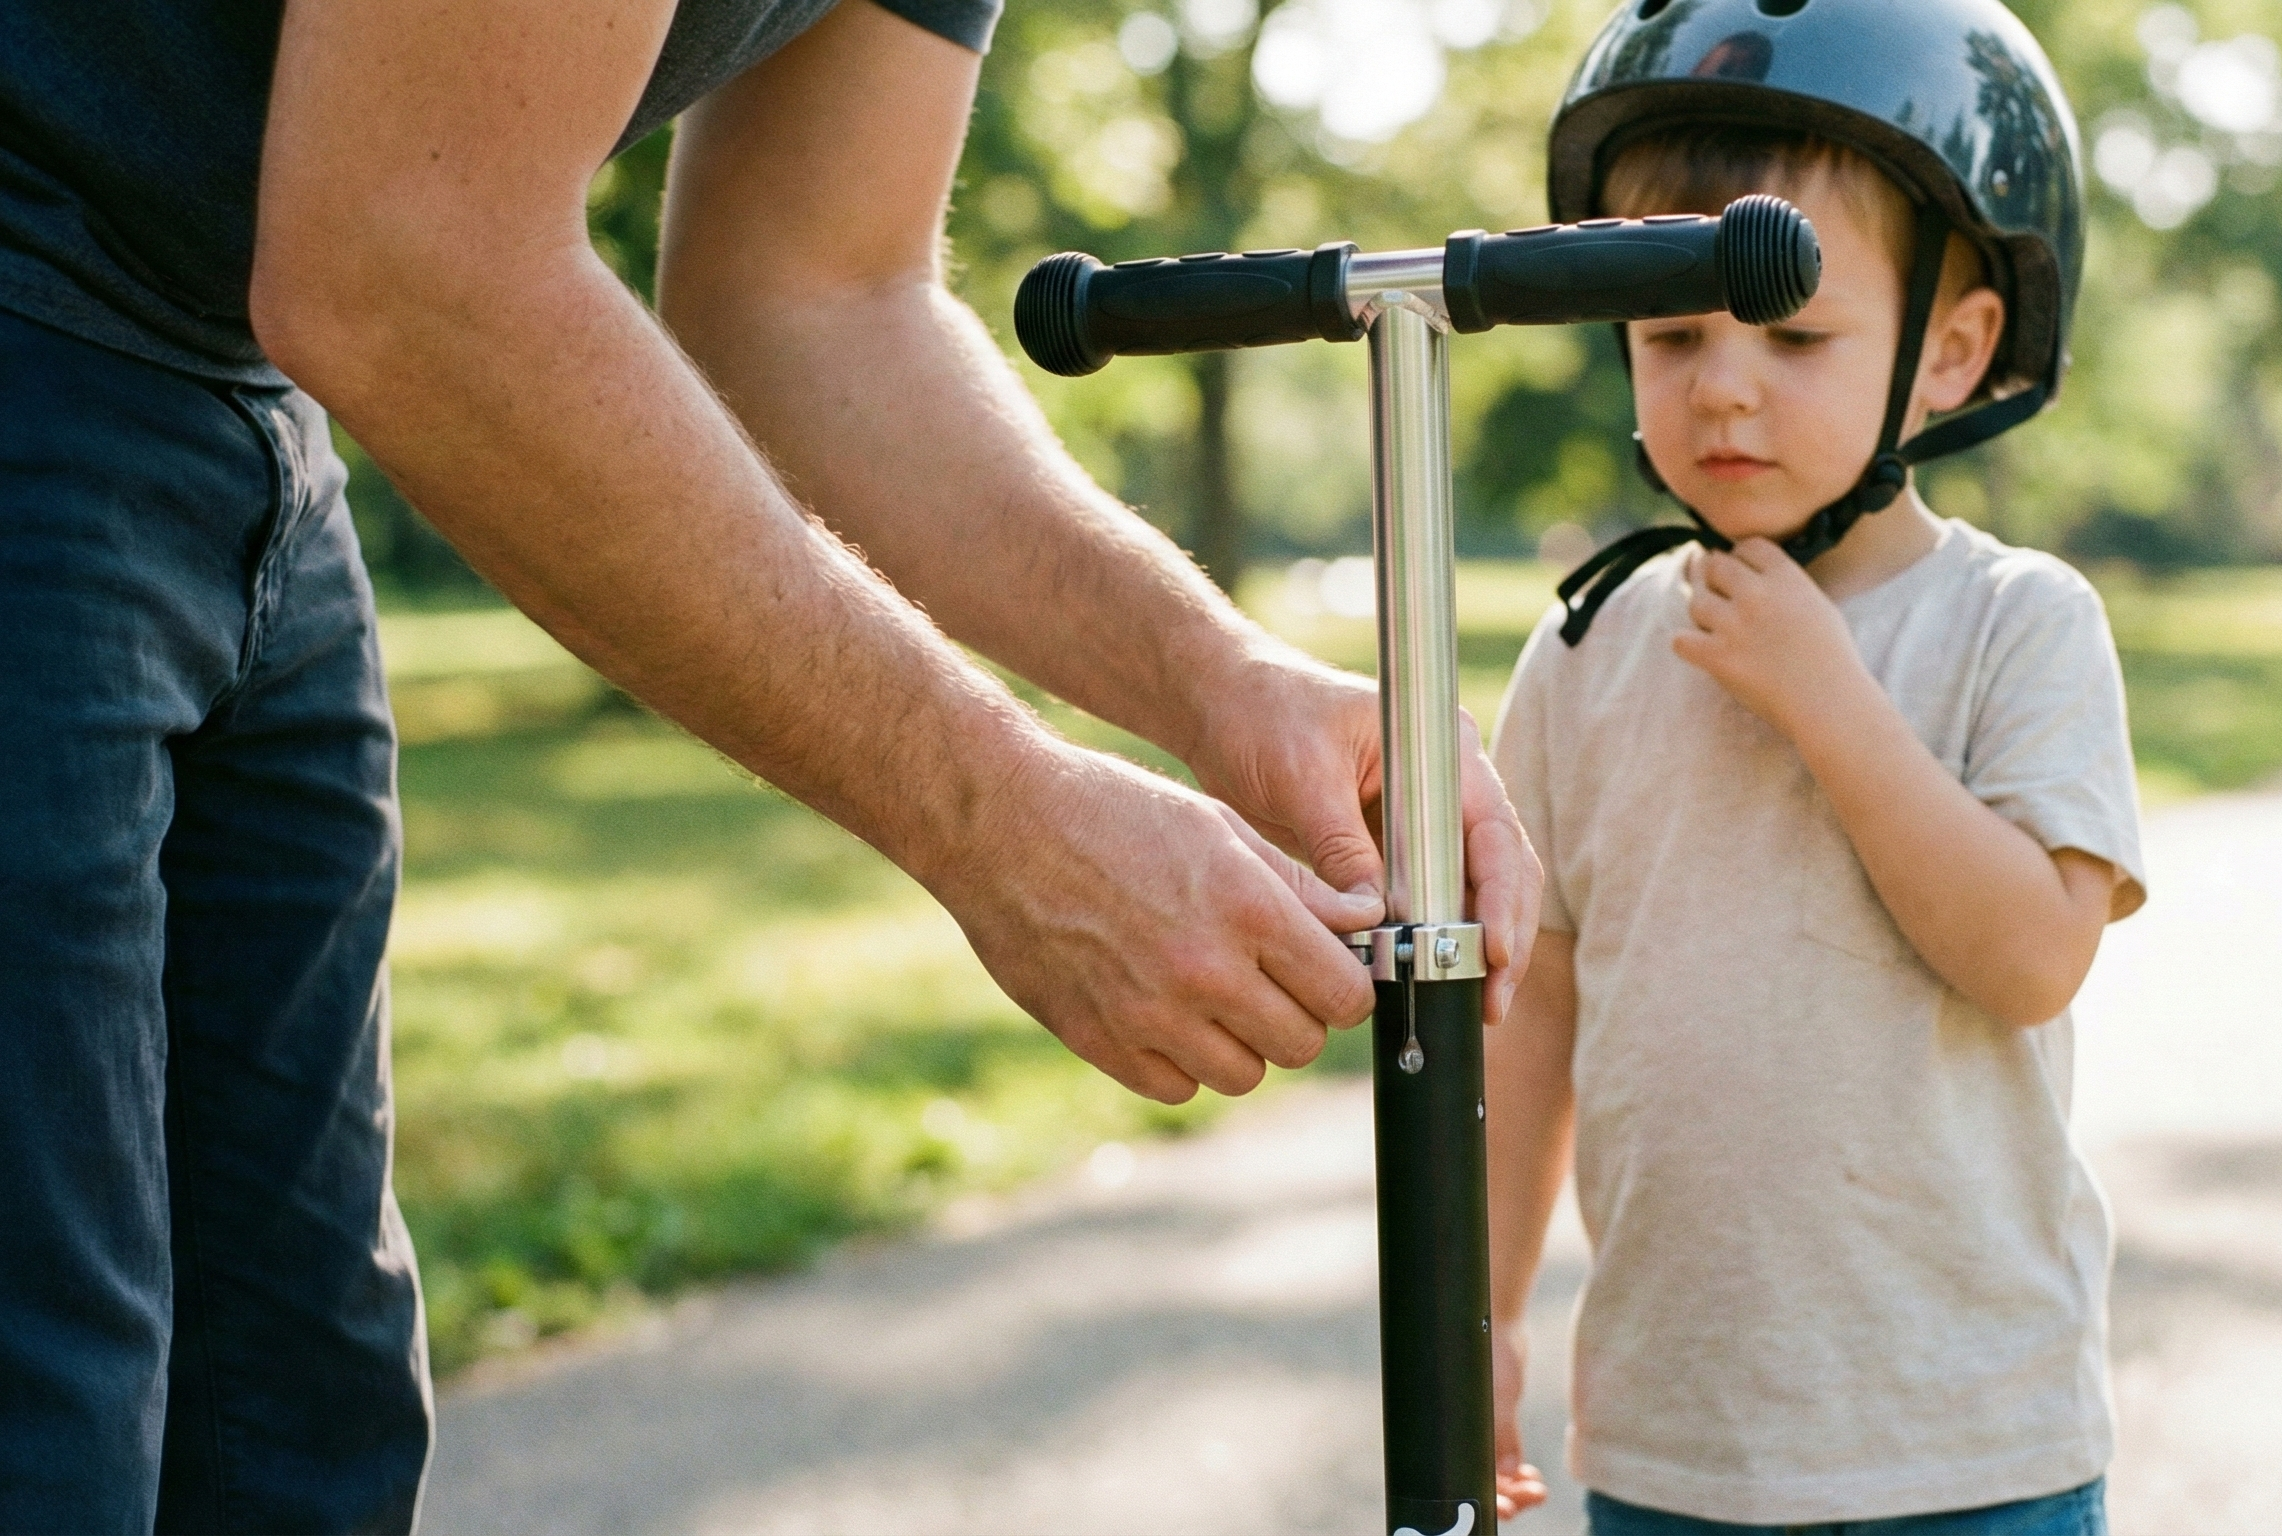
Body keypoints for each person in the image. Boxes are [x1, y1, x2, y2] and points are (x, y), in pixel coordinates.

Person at [0, 0, 1541, 1528]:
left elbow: (811, 293)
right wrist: (1002, 818)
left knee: (290, 1419)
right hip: (56, 320)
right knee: (48, 1414)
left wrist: (1222, 682)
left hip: (233, 381)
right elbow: (406, 265)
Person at [1481, 1, 2145, 1532]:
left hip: (1968, 1446)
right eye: (1671, 332)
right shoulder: (1588, 655)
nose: (1723, 386)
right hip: (1677, 1447)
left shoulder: (2014, 627)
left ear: (1948, 354)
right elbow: (1534, 1017)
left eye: (1793, 331)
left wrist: (1829, 704)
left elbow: (2034, 956)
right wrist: (1489, 1309)